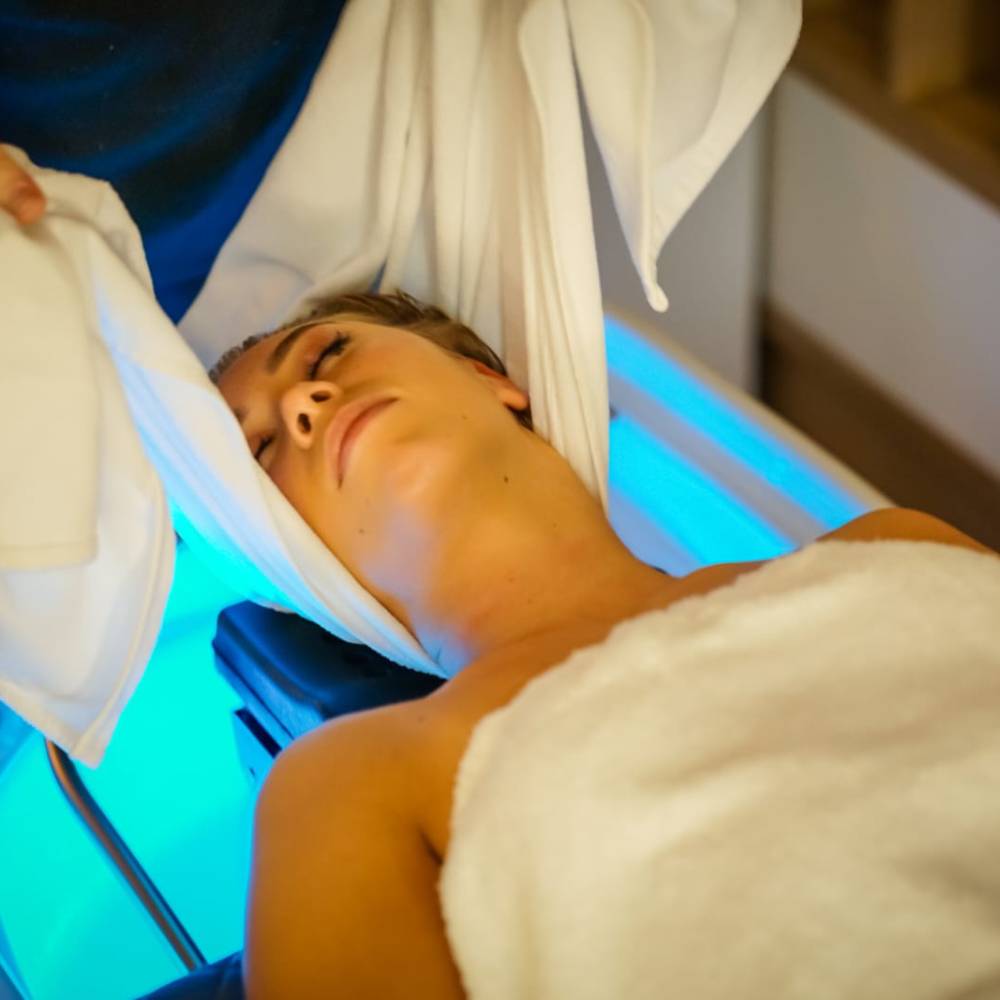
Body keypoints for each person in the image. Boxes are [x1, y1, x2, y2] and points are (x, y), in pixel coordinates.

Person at [7, 156, 997, 998]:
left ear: (491, 377)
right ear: (293, 562)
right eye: (264, 450)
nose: (306, 403)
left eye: (329, 351)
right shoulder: (355, 787)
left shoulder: (892, 545)